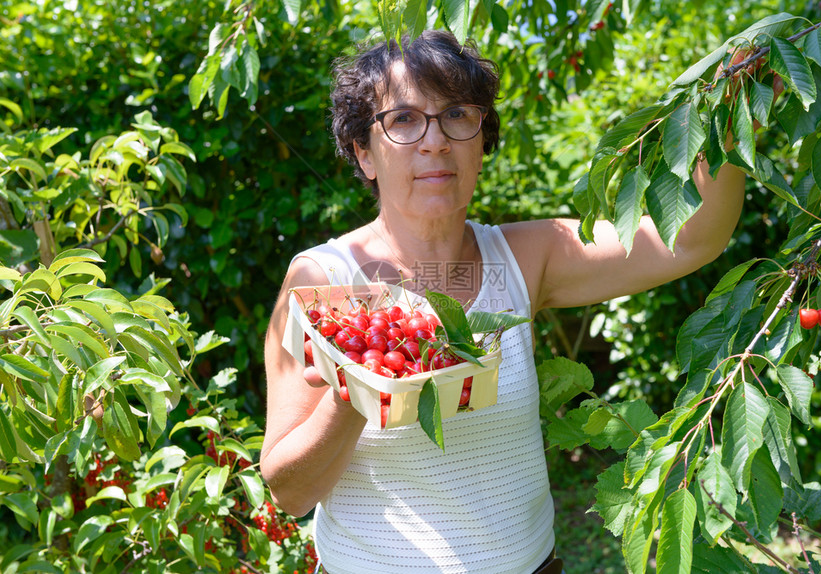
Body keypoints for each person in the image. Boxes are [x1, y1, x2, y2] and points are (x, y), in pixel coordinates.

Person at [261, 30, 746, 574]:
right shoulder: (323, 282)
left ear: (481, 139)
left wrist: (726, 104)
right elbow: (289, 493)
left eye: (457, 115)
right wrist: (354, 390)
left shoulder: (527, 255)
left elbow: (693, 238)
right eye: (402, 120)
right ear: (363, 153)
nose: (435, 140)